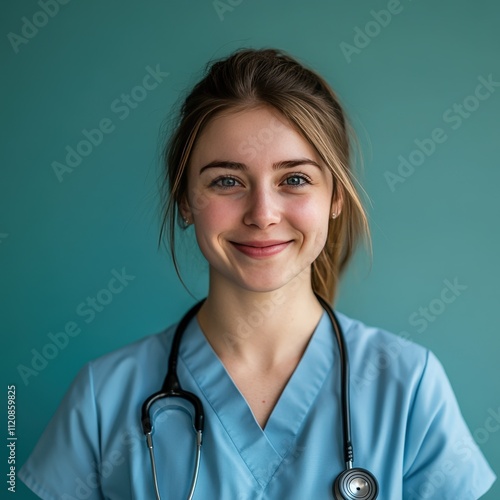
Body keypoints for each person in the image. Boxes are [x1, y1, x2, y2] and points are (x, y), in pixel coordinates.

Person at [19, 48, 496, 499]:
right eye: (227, 181)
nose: (263, 213)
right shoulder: (104, 397)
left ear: (335, 198)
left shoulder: (409, 388)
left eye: (294, 179)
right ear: (186, 201)